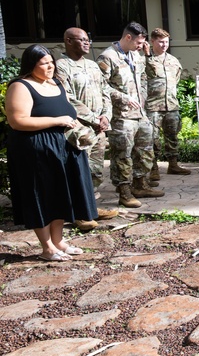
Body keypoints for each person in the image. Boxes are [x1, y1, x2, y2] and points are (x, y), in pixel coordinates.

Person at [5, 45, 97, 260]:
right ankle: (47, 247)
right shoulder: (21, 86)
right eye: (43, 64)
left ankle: (58, 241)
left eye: (51, 62)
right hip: (35, 150)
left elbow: (68, 111)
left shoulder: (56, 83)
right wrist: (56, 120)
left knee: (60, 194)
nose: (50, 67)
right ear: (31, 65)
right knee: (42, 196)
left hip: (62, 147)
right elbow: (17, 121)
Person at [55, 28, 119, 230]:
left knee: (95, 170)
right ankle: (79, 214)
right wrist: (93, 119)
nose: (86, 43)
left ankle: (91, 208)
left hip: (99, 128)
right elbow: (67, 98)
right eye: (81, 40)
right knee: (79, 171)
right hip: (80, 129)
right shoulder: (61, 66)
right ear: (68, 41)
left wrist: (106, 116)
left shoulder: (92, 65)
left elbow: (105, 91)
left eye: (87, 40)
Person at [98, 22, 164, 207]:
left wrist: (142, 95)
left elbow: (144, 76)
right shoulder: (108, 57)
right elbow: (101, 86)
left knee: (145, 150)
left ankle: (140, 184)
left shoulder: (135, 55)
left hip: (139, 113)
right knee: (122, 155)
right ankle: (124, 192)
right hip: (121, 115)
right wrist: (123, 97)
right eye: (139, 42)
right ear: (128, 37)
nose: (141, 46)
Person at [145, 28, 191, 181]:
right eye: (160, 42)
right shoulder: (144, 59)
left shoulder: (173, 61)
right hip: (152, 106)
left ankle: (173, 164)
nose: (164, 45)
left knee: (172, 136)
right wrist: (147, 56)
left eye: (166, 42)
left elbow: (176, 80)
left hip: (171, 105)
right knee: (153, 138)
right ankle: (153, 168)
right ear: (152, 42)